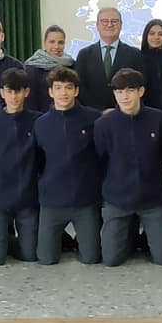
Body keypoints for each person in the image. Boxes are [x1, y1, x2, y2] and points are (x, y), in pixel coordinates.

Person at [93, 68, 162, 267]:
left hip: (152, 200)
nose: (124, 96)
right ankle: (129, 233)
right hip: (117, 200)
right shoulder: (104, 124)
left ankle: (143, 234)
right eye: (119, 91)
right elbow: (99, 161)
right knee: (111, 260)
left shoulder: (158, 118)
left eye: (130, 90)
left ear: (141, 91)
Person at [34, 67, 102, 265]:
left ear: (76, 91)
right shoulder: (41, 123)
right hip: (52, 202)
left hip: (85, 201)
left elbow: (102, 155)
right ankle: (64, 240)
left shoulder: (94, 119)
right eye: (58, 88)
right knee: (46, 259)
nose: (63, 93)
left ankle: (79, 239)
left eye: (68, 87)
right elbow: (38, 160)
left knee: (91, 258)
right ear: (50, 92)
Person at [0, 68, 42, 264]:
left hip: (27, 198)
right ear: (2, 93)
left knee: (30, 255)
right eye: (9, 91)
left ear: (26, 92)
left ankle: (7, 241)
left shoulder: (37, 121)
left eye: (18, 91)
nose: (13, 97)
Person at [75, 7, 144, 111]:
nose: (109, 25)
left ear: (121, 25)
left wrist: (118, 111)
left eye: (114, 21)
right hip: (92, 114)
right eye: (104, 21)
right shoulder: (84, 55)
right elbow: (80, 87)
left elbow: (139, 86)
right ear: (97, 25)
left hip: (125, 114)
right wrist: (99, 111)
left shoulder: (135, 54)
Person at [24, 25, 75, 111]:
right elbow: (30, 101)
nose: (56, 46)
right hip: (41, 116)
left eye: (60, 42)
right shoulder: (32, 68)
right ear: (44, 43)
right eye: (52, 42)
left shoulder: (72, 65)